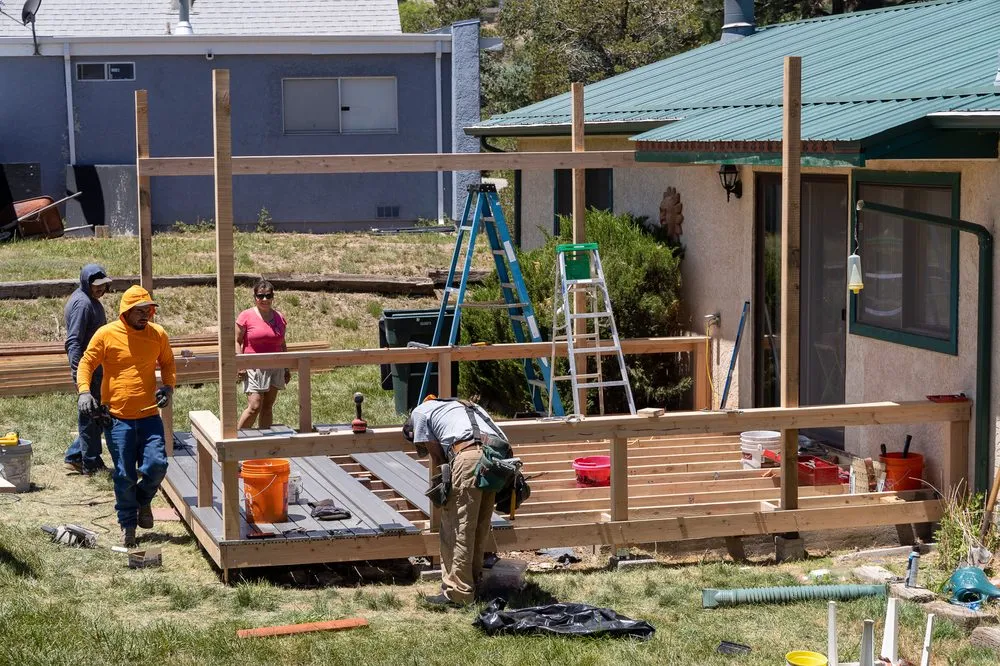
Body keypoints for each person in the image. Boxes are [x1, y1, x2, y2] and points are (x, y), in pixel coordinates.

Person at [76, 285, 175, 547]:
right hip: (118, 418)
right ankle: (128, 525)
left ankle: (142, 501)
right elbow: (87, 362)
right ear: (126, 312)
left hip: (149, 415)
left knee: (157, 465)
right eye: (139, 311)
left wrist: (168, 386)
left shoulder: (158, 335)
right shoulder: (107, 334)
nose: (145, 315)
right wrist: (84, 392)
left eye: (148, 310)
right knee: (124, 474)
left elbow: (167, 362)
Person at [403, 396, 516, 607]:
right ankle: (472, 585)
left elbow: (437, 457)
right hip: (494, 459)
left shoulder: (419, 413)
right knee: (478, 526)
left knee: (457, 529)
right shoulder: (460, 406)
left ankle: (458, 594)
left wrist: (441, 494)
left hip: (469, 457)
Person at [64, 264, 113, 475]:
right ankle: (90, 463)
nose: (100, 289)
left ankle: (76, 455)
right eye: (96, 286)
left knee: (97, 414)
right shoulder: (82, 305)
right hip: (89, 370)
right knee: (91, 416)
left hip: (96, 368)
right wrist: (78, 373)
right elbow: (73, 341)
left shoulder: (89, 300)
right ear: (86, 284)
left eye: (103, 285)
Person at [236, 279, 291, 429]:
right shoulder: (246, 316)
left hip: (276, 365)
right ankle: (236, 441)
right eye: (261, 296)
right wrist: (240, 364)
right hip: (254, 366)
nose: (264, 299)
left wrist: (286, 367)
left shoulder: (280, 317)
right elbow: (237, 341)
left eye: (268, 295)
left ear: (273, 296)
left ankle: (264, 445)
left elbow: (282, 343)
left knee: (267, 407)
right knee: (255, 406)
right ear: (255, 297)